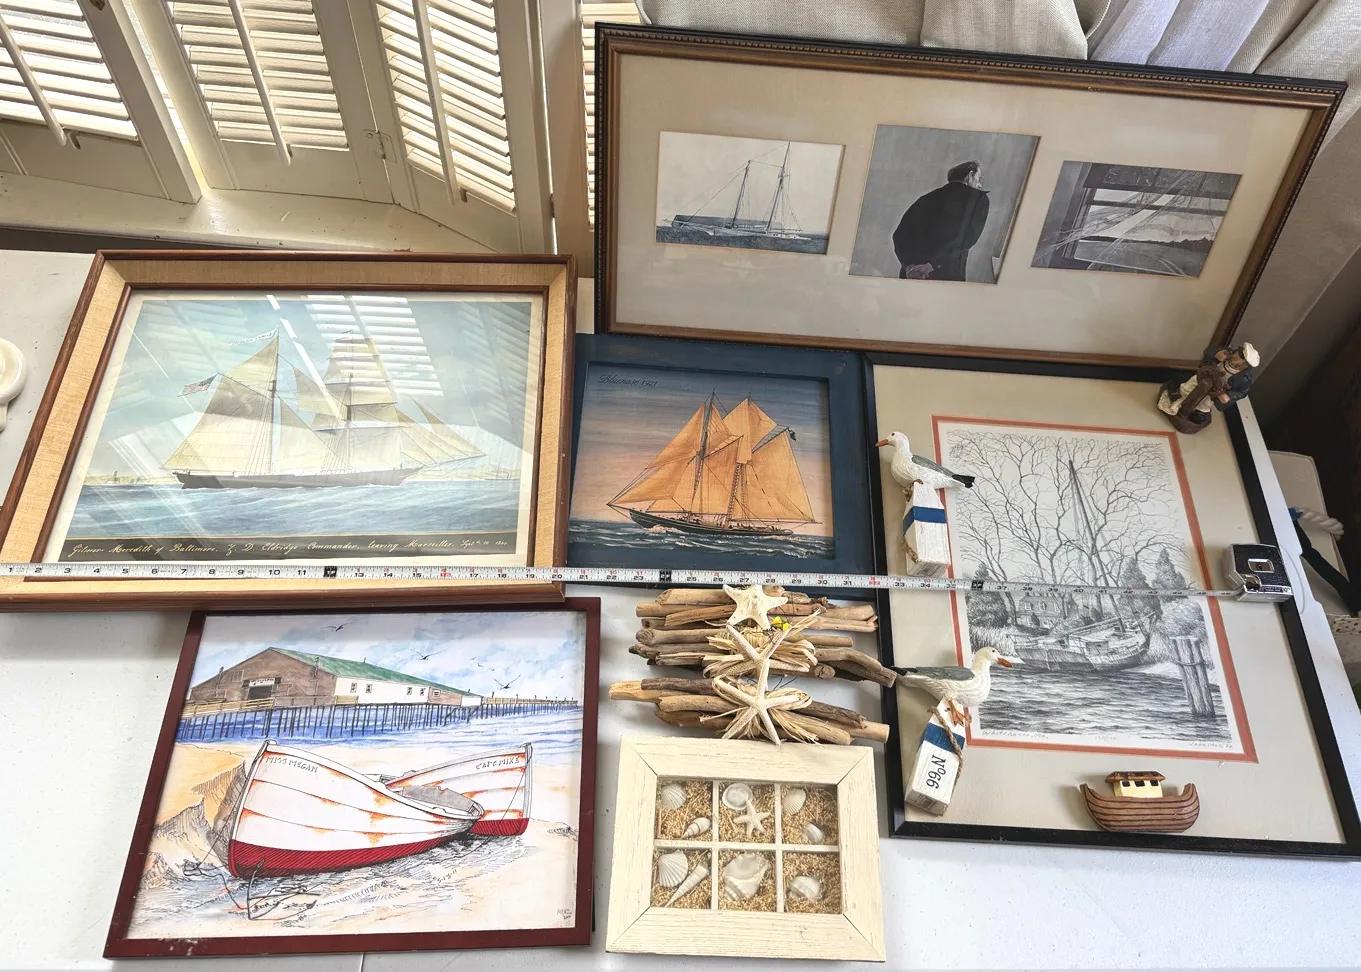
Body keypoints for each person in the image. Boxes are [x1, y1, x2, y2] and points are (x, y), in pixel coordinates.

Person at [892, 160, 990, 281]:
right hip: (946, 275)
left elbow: (900, 235)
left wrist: (909, 266)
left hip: (912, 275)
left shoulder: (926, 198)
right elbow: (967, 239)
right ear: (969, 175)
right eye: (979, 178)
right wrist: (931, 265)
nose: (979, 185)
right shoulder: (978, 199)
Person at [1156, 342, 1258, 434]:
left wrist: (1229, 396)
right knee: (1188, 388)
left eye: (1239, 356)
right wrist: (1217, 354)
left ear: (1244, 363)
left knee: (1205, 402)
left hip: (1216, 390)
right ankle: (1179, 399)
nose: (1235, 355)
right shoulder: (1227, 353)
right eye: (1238, 352)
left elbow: (1242, 392)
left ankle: (1198, 412)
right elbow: (1209, 351)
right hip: (1204, 376)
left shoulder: (1244, 378)